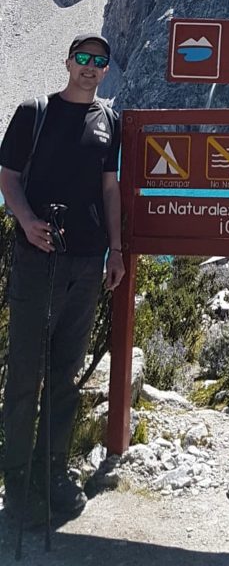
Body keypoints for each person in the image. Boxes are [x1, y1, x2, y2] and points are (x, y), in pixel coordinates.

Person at [0, 34, 124, 524]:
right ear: (69, 62)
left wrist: (117, 249)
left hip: (87, 260)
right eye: (84, 59)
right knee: (25, 372)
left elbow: (110, 188)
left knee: (65, 374)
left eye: (100, 61)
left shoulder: (108, 120)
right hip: (37, 261)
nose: (91, 67)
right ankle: (16, 481)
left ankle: (53, 471)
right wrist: (28, 223)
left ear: (106, 70)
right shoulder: (35, 111)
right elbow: (7, 177)